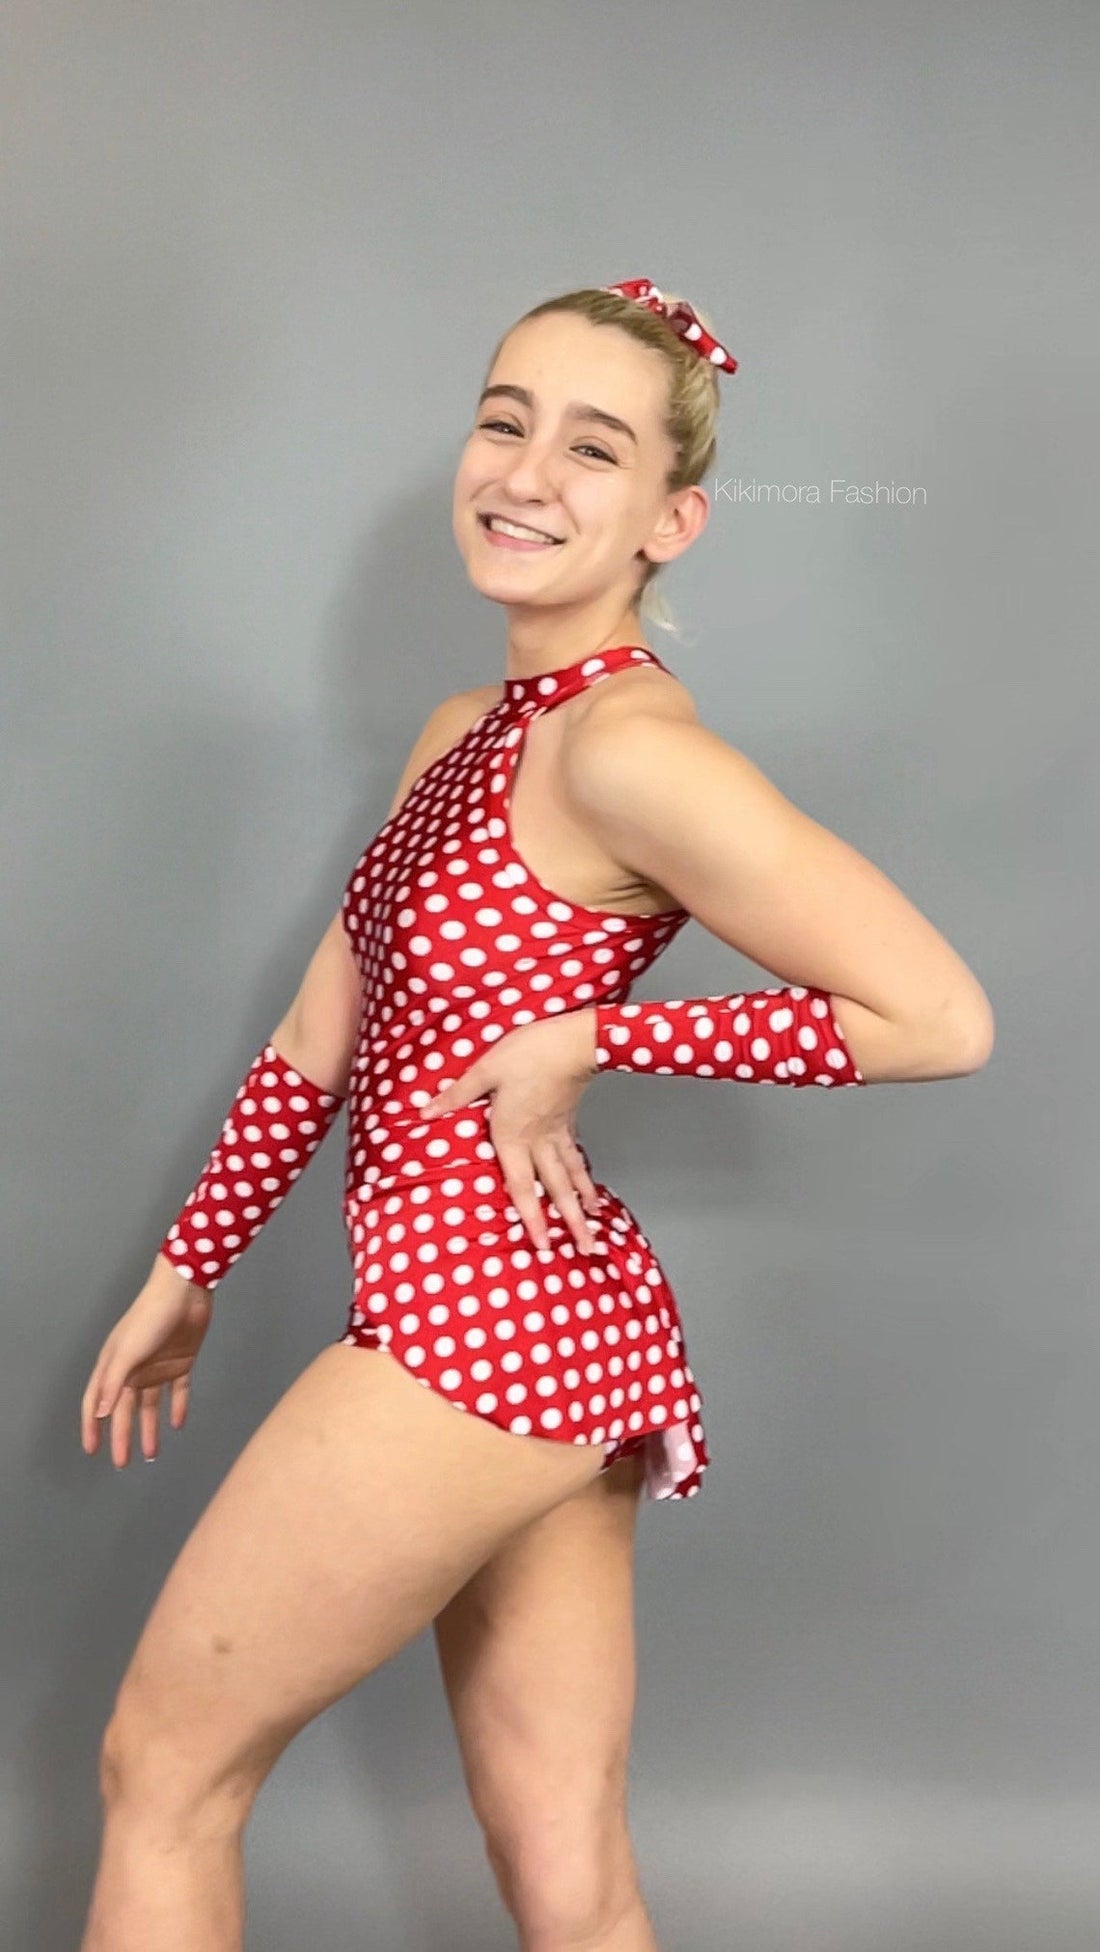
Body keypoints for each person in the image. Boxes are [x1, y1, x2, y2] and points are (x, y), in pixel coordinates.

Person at [78, 277, 995, 1952]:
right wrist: (189, 1266)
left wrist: (603, 1038)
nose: (526, 473)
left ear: (674, 517)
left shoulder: (631, 752)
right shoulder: (473, 731)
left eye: (596, 447)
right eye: (505, 419)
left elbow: (937, 1017)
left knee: (164, 1774)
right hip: (558, 1329)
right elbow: (315, 1035)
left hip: (475, 1329)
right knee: (568, 1872)